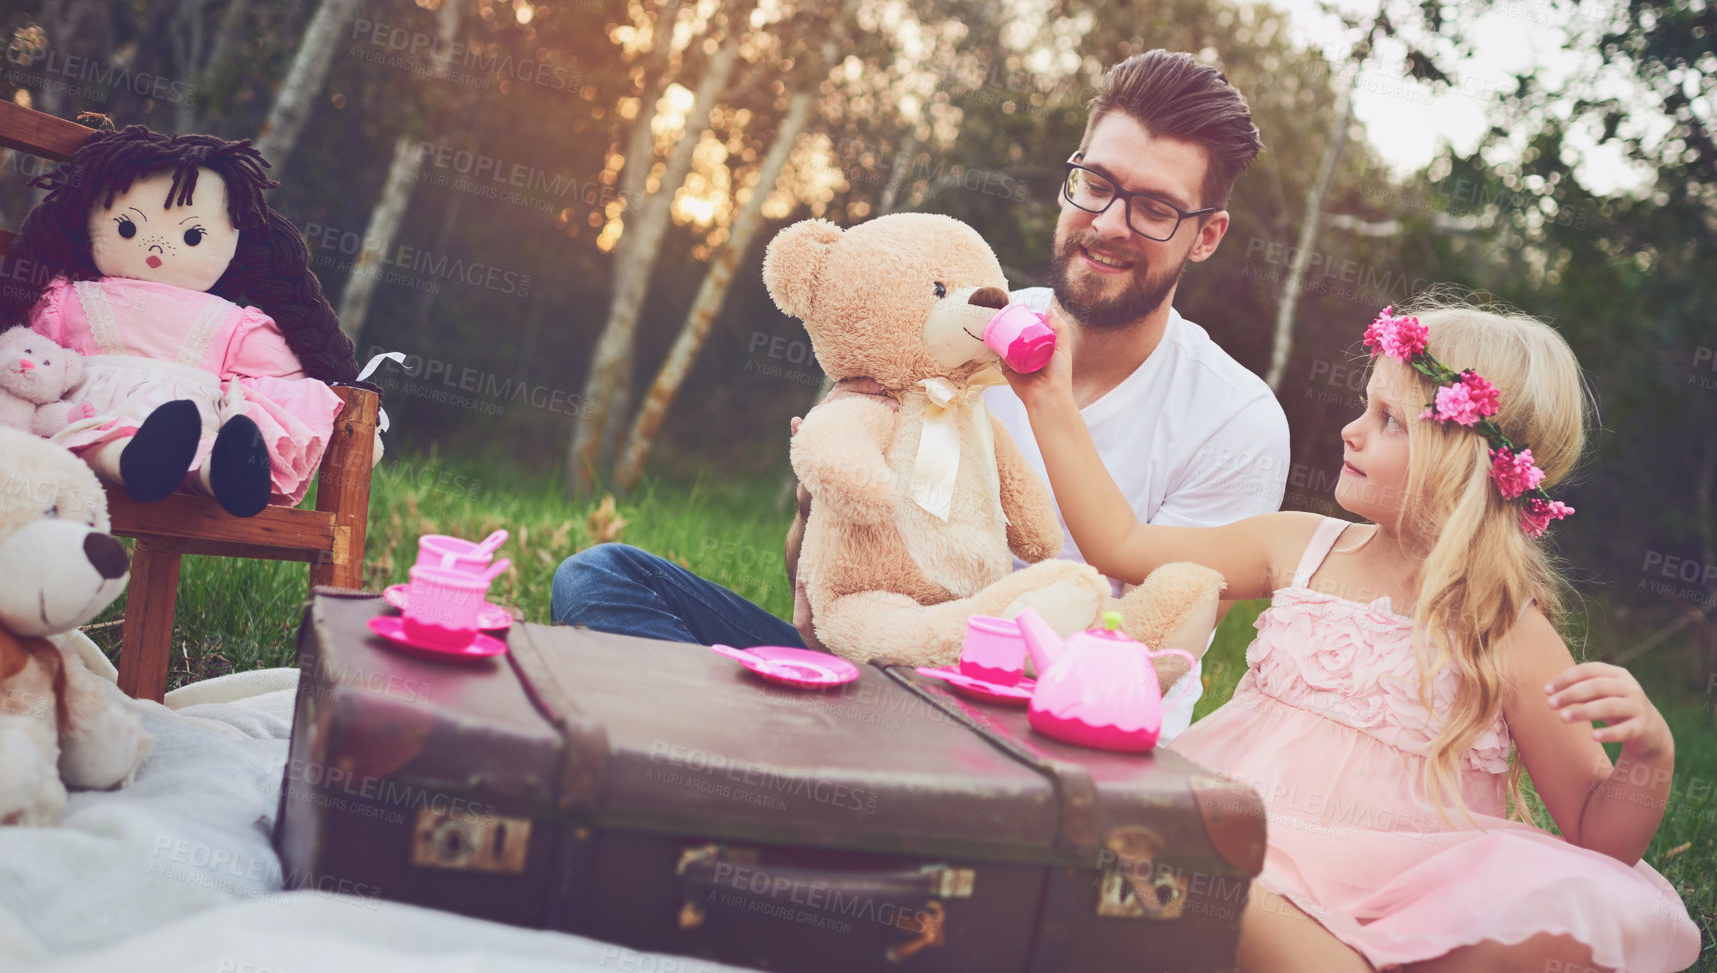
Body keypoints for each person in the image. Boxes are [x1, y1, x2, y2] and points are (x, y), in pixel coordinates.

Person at [551, 50, 1291, 741]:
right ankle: (735, 776)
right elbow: (836, 579)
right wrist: (816, 528)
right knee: (601, 577)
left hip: (1037, 736)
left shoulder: (1235, 420)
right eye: (1094, 184)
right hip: (879, 672)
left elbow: (1159, 644)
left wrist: (1049, 405)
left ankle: (743, 768)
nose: (1106, 224)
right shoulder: (958, 328)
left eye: (1154, 209)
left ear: (1206, 236)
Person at [999, 294, 1701, 972]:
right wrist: (1048, 402)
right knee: (1179, 875)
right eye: (1365, 406)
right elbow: (1119, 542)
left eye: (1390, 421)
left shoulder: (1503, 630)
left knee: (1546, 925)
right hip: (1244, 838)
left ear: (1463, 463)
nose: (1351, 430)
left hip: (1393, 900)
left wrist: (1650, 754)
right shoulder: (1300, 546)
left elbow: (1591, 829)